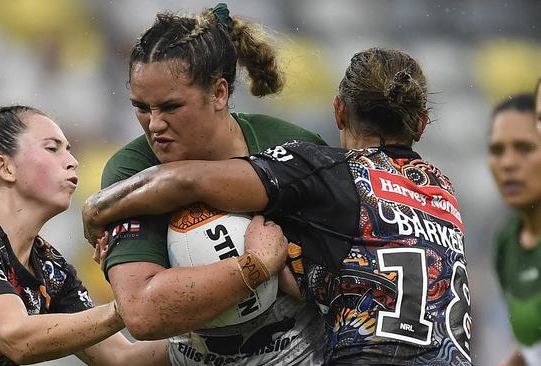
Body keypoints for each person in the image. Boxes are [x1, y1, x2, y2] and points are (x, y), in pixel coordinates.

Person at [84, 47, 473, 365]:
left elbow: (186, 180)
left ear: (338, 110)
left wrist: (96, 210)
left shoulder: (330, 171)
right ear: (421, 124)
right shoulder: (443, 191)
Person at [83, 3, 328, 365]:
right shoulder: (130, 170)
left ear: (219, 93)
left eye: (170, 107)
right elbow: (142, 314)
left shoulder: (292, 146)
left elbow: (340, 279)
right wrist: (256, 266)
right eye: (141, 107)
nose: (153, 125)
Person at [0, 106, 170, 365]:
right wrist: (129, 304)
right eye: (53, 148)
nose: (73, 161)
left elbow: (122, 358)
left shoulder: (51, 269)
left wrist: (203, 345)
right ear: (5, 168)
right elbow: (18, 339)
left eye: (70, 150)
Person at [490, 89, 541, 366]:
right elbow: (529, 348)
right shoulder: (507, 241)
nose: (507, 163)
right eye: (497, 150)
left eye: (524, 148)